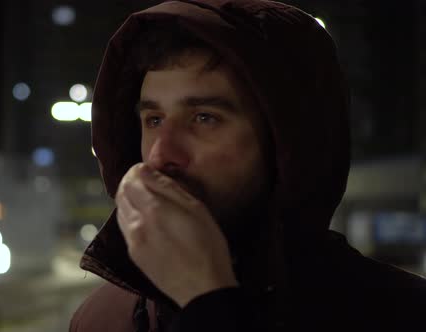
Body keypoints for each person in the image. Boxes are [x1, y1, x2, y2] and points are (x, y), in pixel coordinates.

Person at [69, 0, 426, 331]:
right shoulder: (102, 319)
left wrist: (208, 303)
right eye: (154, 120)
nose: (162, 154)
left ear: (288, 142)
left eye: (204, 118)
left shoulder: (400, 312)